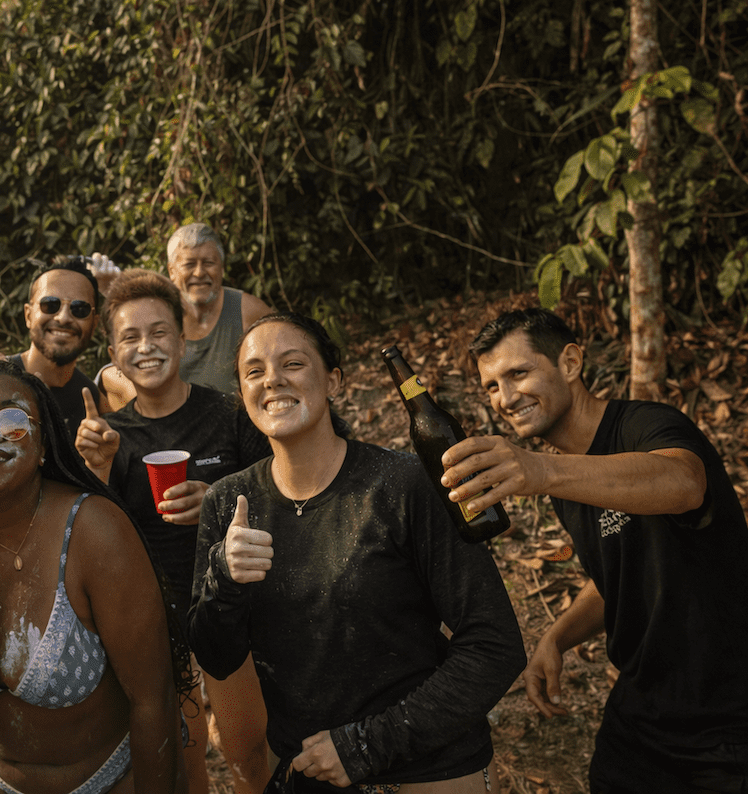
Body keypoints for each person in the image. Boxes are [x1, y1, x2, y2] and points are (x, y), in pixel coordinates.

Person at [188, 311, 526, 792]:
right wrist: (223, 581)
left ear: (334, 381)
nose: (273, 381)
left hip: (425, 769)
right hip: (310, 771)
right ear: (243, 394)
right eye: (255, 371)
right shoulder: (229, 502)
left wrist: (365, 745)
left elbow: (495, 644)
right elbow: (216, 657)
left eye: (293, 364)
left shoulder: (402, 485)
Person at [443, 308, 748, 794]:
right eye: (491, 386)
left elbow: (684, 483)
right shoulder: (565, 480)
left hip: (727, 715)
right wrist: (556, 638)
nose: (505, 397)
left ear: (569, 363)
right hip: (642, 710)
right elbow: (620, 572)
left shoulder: (645, 425)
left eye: (518, 373)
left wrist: (541, 472)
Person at [0, 358, 192, 794]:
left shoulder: (93, 530)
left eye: (12, 419)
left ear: (45, 447)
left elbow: (152, 699)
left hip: (114, 778)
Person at [77, 269, 273, 794]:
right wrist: (96, 471)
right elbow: (98, 542)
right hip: (155, 618)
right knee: (185, 760)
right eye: (130, 338)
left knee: (249, 753)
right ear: (113, 355)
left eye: (159, 333)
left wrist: (217, 500)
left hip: (232, 608)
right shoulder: (108, 437)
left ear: (183, 340)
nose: (147, 348)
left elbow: (280, 497)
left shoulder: (230, 413)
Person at [97, 223, 269, 408]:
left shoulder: (248, 311)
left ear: (222, 268)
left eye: (209, 263)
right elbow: (126, 357)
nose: (199, 272)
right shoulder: (157, 310)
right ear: (172, 271)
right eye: (189, 264)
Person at [8, 255, 103, 438]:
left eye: (79, 309)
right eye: (50, 305)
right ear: (28, 315)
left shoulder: (91, 399)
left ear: (94, 324)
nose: (64, 318)